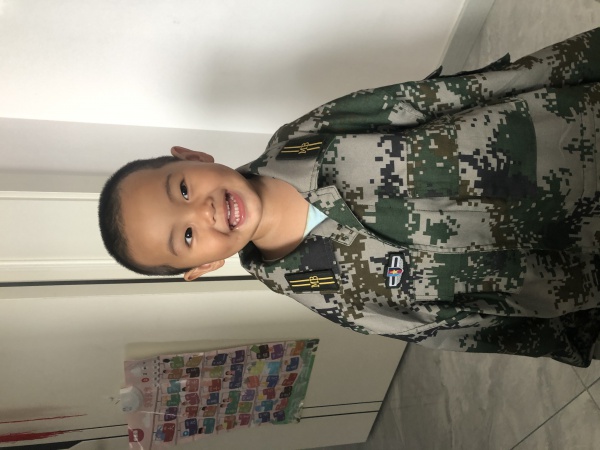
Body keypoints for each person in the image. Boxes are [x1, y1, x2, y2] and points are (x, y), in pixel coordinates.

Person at [99, 28, 600, 367]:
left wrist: (578, 64)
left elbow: (451, 97)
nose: (202, 211)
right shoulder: (326, 292)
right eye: (187, 237)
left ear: (192, 156)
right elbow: (458, 329)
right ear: (203, 267)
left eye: (182, 189)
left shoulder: (306, 135)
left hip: (572, 131)